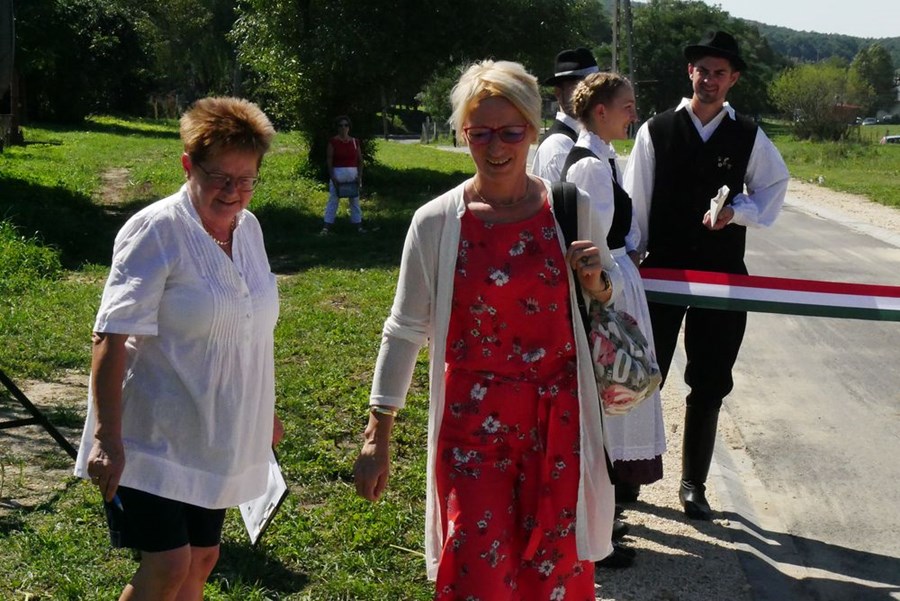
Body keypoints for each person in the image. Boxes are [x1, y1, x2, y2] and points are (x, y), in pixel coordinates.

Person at [353, 59, 623, 598]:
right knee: (477, 572)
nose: (496, 147)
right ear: (463, 134)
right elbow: (404, 330)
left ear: (533, 130)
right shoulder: (436, 222)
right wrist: (377, 434)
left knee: (553, 576)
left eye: (510, 132)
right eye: (480, 133)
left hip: (557, 429)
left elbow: (605, 296)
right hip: (472, 430)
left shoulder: (570, 208)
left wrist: (597, 281)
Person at [73, 96, 283, 601]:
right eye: (220, 178)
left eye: (246, 180)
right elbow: (110, 334)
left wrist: (264, 414)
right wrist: (107, 437)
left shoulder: (249, 230)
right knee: (169, 564)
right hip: (151, 434)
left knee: (203, 559)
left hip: (214, 434)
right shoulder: (157, 230)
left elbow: (252, 329)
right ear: (188, 165)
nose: (233, 192)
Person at [623, 31, 789, 520]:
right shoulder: (656, 130)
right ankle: (629, 473)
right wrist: (632, 258)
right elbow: (636, 200)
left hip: (722, 272)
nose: (709, 80)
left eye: (719, 73)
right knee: (643, 374)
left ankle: (693, 483)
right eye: (703, 71)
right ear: (689, 73)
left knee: (711, 378)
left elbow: (773, 186)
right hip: (663, 270)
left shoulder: (748, 134)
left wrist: (737, 212)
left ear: (733, 79)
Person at [562, 71, 667, 511]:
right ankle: (606, 507)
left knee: (621, 388)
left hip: (619, 282)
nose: (634, 115)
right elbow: (595, 242)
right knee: (616, 385)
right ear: (601, 111)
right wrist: (610, 287)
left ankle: (611, 508)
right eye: (627, 107)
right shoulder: (589, 165)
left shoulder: (602, 158)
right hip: (609, 291)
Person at [531, 47, 599, 181]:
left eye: (595, 87)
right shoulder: (559, 146)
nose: (588, 93)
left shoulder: (590, 137)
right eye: (578, 86)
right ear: (558, 93)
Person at [321, 115, 365, 235]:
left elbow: (360, 160)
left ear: (349, 127)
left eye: (346, 125)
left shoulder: (355, 142)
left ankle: (358, 226)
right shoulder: (333, 142)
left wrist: (359, 176)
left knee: (354, 200)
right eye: (340, 125)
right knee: (333, 200)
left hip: (352, 173)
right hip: (338, 173)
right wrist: (332, 176)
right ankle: (326, 227)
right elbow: (329, 159)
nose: (343, 128)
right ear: (337, 127)